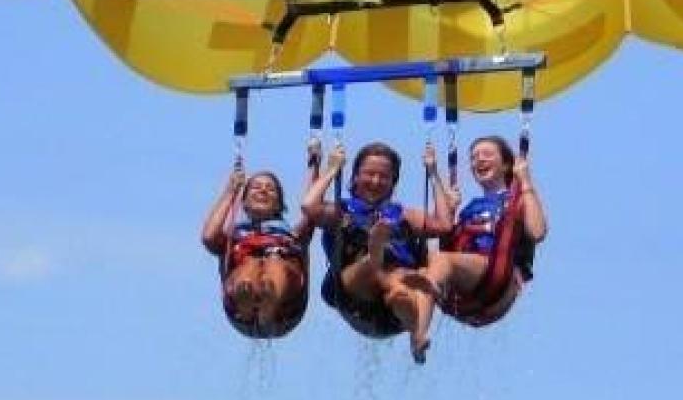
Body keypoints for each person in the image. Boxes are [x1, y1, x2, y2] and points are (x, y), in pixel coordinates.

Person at [302, 141, 453, 364]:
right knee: (385, 270)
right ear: (354, 178)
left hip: (393, 311)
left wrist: (433, 173)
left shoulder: (404, 215)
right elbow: (308, 206)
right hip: (354, 291)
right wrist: (332, 169)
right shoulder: (340, 212)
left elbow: (444, 225)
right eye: (369, 174)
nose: (376, 181)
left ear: (393, 183)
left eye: (384, 176)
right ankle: (376, 253)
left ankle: (418, 335)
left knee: (400, 289)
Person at [430, 135, 547, 328]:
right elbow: (444, 240)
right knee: (417, 260)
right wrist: (447, 203)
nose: (479, 160)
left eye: (487, 154)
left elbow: (538, 232)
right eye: (474, 157)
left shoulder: (517, 199)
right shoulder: (470, 208)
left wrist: (525, 180)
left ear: (506, 165)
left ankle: (421, 328)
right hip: (461, 290)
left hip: (497, 282)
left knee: (439, 260)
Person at [200, 148, 317, 339]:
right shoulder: (232, 238)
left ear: (279, 205)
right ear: (243, 202)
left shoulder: (294, 236)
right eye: (256, 187)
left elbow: (311, 210)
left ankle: (269, 302)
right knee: (251, 263)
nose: (263, 190)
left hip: (285, 308)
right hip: (239, 304)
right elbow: (208, 237)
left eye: (270, 189)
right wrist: (231, 191)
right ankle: (249, 303)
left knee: (275, 261)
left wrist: (315, 164)